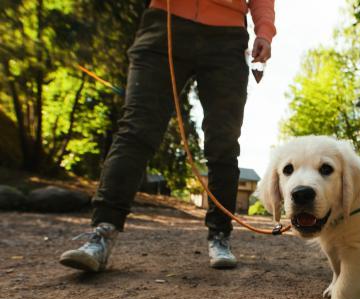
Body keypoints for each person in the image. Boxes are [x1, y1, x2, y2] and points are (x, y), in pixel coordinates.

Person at [59, 0, 276, 272]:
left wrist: (264, 32)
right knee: (136, 128)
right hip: (165, 24)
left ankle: (220, 236)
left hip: (227, 39)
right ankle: (102, 233)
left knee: (223, 142)